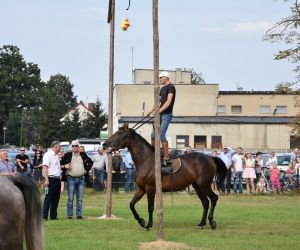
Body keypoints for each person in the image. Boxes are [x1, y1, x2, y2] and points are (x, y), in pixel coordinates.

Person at [147, 71, 176, 173]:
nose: (160, 79)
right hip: (160, 114)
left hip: (167, 115)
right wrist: (150, 111)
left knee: (161, 134)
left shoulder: (171, 87)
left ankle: (166, 156)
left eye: (161, 77)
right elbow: (157, 102)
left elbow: (168, 102)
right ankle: (154, 153)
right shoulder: (162, 89)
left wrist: (158, 111)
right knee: (153, 134)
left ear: (166, 78)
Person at [61, 140, 93, 219]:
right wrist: (65, 166)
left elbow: (91, 162)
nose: (74, 147)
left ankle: (79, 215)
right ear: (71, 147)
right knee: (70, 198)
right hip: (71, 179)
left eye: (76, 146)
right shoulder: (67, 155)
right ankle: (69, 215)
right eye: (73, 146)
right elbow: (60, 164)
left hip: (81, 179)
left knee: (79, 199)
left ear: (78, 147)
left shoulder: (83, 155)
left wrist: (86, 170)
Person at [42, 141, 62, 220]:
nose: (60, 148)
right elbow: (45, 167)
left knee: (56, 198)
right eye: (59, 146)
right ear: (55, 147)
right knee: (49, 197)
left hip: (57, 179)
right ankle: (44, 216)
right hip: (51, 178)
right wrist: (46, 180)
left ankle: (53, 216)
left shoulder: (56, 156)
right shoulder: (48, 155)